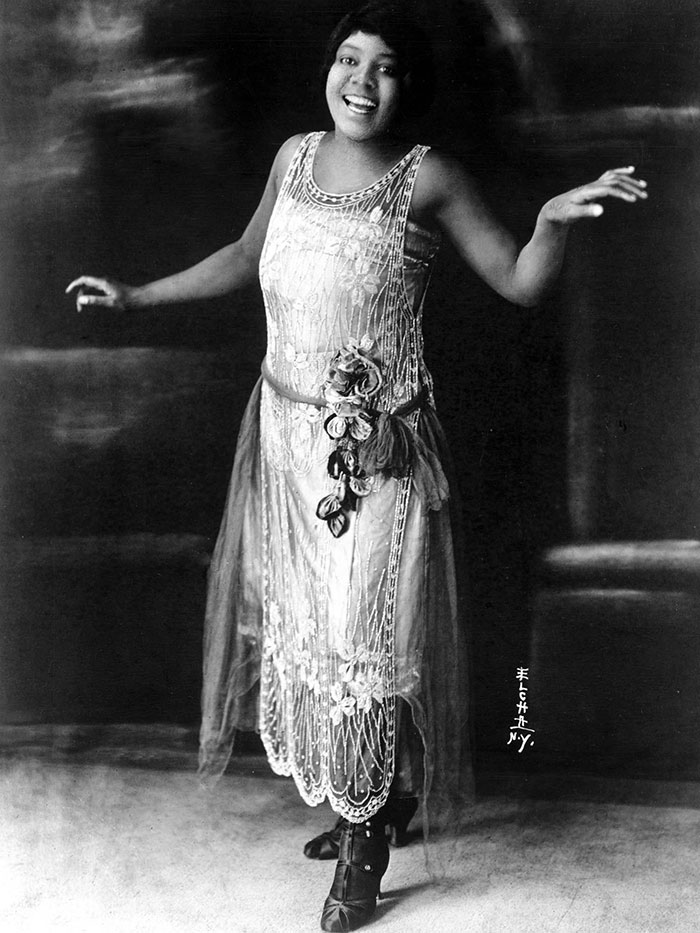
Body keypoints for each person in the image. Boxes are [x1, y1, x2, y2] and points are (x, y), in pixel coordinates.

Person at [67, 3, 647, 929]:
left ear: (405, 87)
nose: (360, 81)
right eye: (347, 59)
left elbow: (521, 282)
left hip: (383, 454)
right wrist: (137, 295)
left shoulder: (430, 180)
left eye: (382, 67)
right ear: (328, 70)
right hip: (289, 447)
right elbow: (243, 254)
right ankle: (371, 799)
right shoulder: (293, 158)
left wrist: (549, 218)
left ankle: (367, 844)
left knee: (364, 644)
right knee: (311, 630)